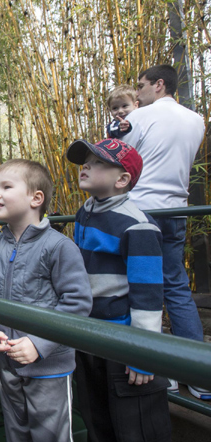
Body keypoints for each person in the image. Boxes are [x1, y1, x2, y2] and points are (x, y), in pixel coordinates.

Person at [0, 159, 92, 442]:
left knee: (50, 434)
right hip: (7, 361)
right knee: (16, 430)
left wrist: (39, 344)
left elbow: (77, 303)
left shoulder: (59, 247)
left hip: (49, 367)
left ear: (36, 198)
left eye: (6, 187)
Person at [67, 138, 172, 441]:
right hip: (89, 332)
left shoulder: (137, 226)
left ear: (122, 179)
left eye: (99, 162)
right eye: (86, 160)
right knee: (95, 416)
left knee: (135, 424)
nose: (86, 166)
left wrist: (142, 352)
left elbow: (148, 294)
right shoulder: (85, 212)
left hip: (122, 339)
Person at [121, 64, 209, 400]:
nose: (137, 93)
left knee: (144, 287)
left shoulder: (141, 117)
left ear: (159, 85)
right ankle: (198, 374)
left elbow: (121, 159)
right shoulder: (197, 120)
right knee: (176, 284)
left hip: (142, 211)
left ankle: (159, 370)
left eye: (141, 86)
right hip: (178, 208)